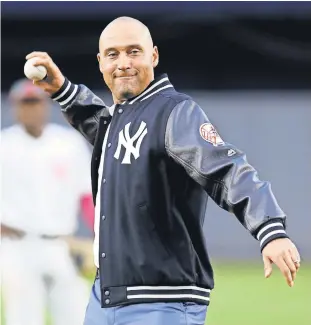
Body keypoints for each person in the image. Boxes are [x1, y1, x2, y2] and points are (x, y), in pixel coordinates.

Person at [26, 16, 301, 325]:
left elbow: (227, 169)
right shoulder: (120, 119)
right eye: (113, 54)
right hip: (106, 298)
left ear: (153, 56)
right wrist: (62, 89)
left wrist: (269, 229)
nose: (124, 63)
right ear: (101, 62)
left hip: (163, 302)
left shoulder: (174, 112)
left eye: (134, 51)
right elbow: (102, 127)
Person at [0, 79, 95, 325]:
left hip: (63, 243)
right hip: (17, 244)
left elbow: (86, 194)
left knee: (77, 316)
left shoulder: (68, 143)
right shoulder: (4, 145)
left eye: (35, 102)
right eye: (25, 103)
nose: (31, 108)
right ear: (15, 107)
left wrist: (99, 234)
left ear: (45, 105)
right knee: (23, 318)